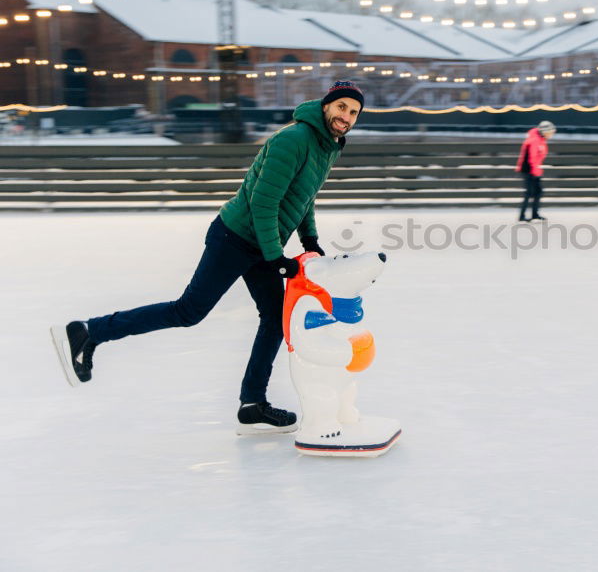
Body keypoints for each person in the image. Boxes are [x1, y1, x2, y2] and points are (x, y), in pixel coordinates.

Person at [51, 81, 365, 435]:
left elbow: (305, 194)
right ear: (325, 106)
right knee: (188, 312)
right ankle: (89, 331)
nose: (346, 117)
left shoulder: (329, 146)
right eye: (341, 107)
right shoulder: (293, 139)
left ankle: (252, 404)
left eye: (353, 112)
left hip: (263, 243)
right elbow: (264, 201)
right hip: (234, 238)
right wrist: (277, 257)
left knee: (276, 318)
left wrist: (309, 238)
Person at [515, 120, 556, 222]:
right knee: (529, 193)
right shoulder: (534, 140)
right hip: (528, 169)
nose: (551, 134)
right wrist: (535, 170)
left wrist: (537, 169)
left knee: (538, 191)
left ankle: (535, 214)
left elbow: (538, 157)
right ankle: (522, 216)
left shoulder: (540, 139)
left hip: (534, 169)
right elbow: (532, 158)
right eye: (550, 132)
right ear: (544, 132)